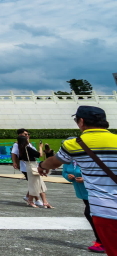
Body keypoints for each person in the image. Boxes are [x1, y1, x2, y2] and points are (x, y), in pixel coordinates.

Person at [38, 106, 117, 254]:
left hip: (105, 211)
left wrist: (41, 165)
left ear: (81, 121)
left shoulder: (74, 144)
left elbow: (54, 162)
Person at [63, 158, 105, 253]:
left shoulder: (89, 159)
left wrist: (85, 179)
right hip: (82, 192)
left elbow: (99, 175)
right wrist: (67, 176)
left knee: (90, 213)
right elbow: (64, 172)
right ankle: (101, 241)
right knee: (92, 215)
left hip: (95, 192)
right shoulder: (68, 161)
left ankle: (102, 242)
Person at [16, 135, 51, 208]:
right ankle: (30, 200)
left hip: (28, 166)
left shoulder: (21, 149)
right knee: (35, 184)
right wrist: (40, 147)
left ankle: (43, 201)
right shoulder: (27, 148)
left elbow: (20, 158)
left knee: (38, 183)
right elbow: (40, 154)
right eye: (27, 139)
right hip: (33, 166)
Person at [12, 129, 42, 206]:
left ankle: (29, 197)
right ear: (20, 135)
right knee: (34, 182)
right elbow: (14, 153)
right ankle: (36, 199)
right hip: (25, 165)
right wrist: (14, 162)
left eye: (28, 134)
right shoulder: (17, 144)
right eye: (25, 134)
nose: (27, 135)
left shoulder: (28, 144)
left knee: (34, 182)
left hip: (32, 165)